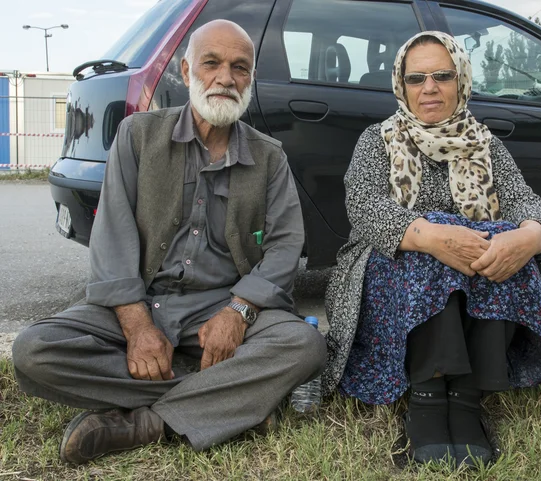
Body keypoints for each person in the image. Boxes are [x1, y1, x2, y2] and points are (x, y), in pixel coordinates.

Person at [11, 20, 326, 465]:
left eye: (240, 68)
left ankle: (148, 422)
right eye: (211, 63)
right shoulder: (138, 135)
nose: (224, 78)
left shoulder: (269, 156)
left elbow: (284, 247)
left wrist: (237, 312)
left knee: (304, 346)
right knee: (34, 351)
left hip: (223, 308)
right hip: (143, 301)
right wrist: (138, 328)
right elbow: (113, 233)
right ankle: (229, 401)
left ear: (250, 79)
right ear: (186, 68)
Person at [322, 31, 541, 467]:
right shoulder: (378, 139)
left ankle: (465, 398)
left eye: (442, 75)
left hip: (473, 278)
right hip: (387, 271)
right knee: (441, 234)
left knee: (505, 239)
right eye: (416, 77)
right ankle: (426, 396)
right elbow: (363, 206)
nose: (429, 88)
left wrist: (529, 236)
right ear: (400, 85)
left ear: (460, 79)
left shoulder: (486, 143)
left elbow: (526, 202)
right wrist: (433, 236)